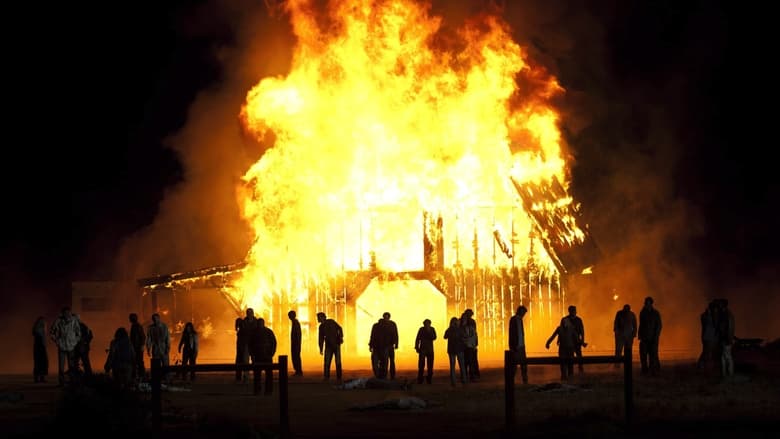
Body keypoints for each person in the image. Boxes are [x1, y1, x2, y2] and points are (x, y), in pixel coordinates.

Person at [50, 306, 81, 386]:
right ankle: (61, 382)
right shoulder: (58, 321)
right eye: (65, 313)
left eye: (68, 312)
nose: (67, 314)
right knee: (61, 367)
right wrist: (57, 341)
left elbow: (78, 332)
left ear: (70, 313)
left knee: (72, 366)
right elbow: (52, 332)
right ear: (63, 313)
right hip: (62, 346)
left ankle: (72, 381)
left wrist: (75, 341)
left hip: (71, 346)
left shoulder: (74, 321)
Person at [545, 311, 578, 381]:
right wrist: (548, 343)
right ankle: (565, 378)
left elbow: (576, 338)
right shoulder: (561, 329)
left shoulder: (569, 328)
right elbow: (553, 336)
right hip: (564, 349)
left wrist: (548, 343)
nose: (564, 324)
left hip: (568, 349)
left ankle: (569, 378)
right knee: (564, 365)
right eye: (563, 322)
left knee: (569, 365)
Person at [638, 296, 662, 376]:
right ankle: (644, 369)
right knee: (643, 355)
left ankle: (652, 370)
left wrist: (656, 336)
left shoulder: (655, 313)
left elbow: (659, 325)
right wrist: (640, 335)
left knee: (653, 355)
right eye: (646, 303)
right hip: (644, 338)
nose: (647, 304)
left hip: (653, 338)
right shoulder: (642, 313)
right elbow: (641, 325)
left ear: (651, 303)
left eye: (648, 303)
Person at [317, 312, 343, 382]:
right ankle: (337, 377)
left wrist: (341, 337)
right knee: (334, 361)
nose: (318, 319)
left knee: (329, 362)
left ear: (322, 317)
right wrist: (340, 338)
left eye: (319, 317)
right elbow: (340, 328)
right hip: (333, 345)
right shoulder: (325, 324)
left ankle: (328, 377)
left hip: (333, 345)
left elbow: (321, 339)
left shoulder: (326, 324)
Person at [146, 313, 171, 381]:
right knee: (156, 365)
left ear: (159, 318)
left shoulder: (164, 327)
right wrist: (148, 349)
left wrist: (168, 348)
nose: (155, 320)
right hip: (156, 348)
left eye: (156, 319)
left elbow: (168, 338)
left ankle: (166, 378)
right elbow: (149, 339)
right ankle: (157, 379)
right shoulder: (151, 328)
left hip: (163, 348)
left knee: (165, 364)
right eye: (154, 319)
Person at [235, 308, 258, 382]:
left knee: (255, 360)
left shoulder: (256, 322)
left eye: (251, 312)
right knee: (245, 361)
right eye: (248, 313)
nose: (250, 314)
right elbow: (239, 332)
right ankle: (246, 376)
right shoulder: (244, 322)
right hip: (246, 344)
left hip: (254, 344)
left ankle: (256, 376)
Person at [444, 316, 467, 386]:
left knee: (453, 366)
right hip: (459, 349)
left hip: (452, 350)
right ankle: (464, 380)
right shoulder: (459, 329)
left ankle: (453, 382)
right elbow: (464, 336)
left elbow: (445, 337)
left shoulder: (449, 330)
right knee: (462, 366)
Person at [508, 305, 528, 384]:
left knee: (521, 364)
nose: (524, 314)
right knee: (516, 364)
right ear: (520, 311)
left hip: (520, 345)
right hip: (517, 346)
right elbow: (512, 333)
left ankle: (522, 379)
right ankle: (514, 380)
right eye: (523, 312)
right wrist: (513, 345)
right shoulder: (515, 319)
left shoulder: (518, 319)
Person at [716, 299, 735, 378]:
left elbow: (728, 327)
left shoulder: (727, 314)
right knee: (723, 357)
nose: (719, 306)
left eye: (720, 304)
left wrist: (728, 338)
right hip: (725, 338)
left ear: (723, 305)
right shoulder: (726, 314)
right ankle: (725, 373)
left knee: (727, 356)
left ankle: (729, 373)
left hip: (726, 338)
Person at [697, 301, 718, 371]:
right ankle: (702, 365)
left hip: (708, 336)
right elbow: (712, 324)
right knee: (707, 352)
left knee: (707, 351)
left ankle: (702, 365)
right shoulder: (707, 316)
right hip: (708, 336)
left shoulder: (708, 315)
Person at [565, 306, 587, 373]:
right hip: (570, 342)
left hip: (576, 342)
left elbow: (582, 331)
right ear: (570, 311)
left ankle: (580, 369)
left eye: (574, 310)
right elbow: (563, 331)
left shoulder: (578, 320)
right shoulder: (566, 319)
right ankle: (571, 372)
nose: (574, 312)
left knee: (579, 356)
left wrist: (582, 341)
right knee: (571, 357)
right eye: (573, 310)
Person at [415, 319, 437, 384]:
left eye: (427, 324)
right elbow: (417, 338)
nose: (426, 325)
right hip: (423, 349)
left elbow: (434, 337)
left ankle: (429, 379)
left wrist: (429, 331)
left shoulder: (432, 329)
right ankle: (420, 379)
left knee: (430, 365)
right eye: (425, 324)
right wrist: (417, 347)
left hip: (429, 349)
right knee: (421, 365)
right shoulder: (421, 329)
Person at [460, 309, 480, 382]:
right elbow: (474, 334)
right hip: (469, 345)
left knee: (466, 361)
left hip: (467, 346)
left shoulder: (463, 324)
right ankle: (472, 375)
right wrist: (475, 343)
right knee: (471, 361)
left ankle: (466, 375)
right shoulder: (471, 323)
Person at [379, 312, 399, 380]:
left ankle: (392, 376)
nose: (386, 318)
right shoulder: (381, 325)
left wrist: (396, 344)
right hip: (384, 346)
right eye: (385, 317)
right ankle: (385, 376)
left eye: (387, 317)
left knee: (392, 361)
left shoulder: (393, 324)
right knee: (385, 361)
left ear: (389, 317)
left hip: (391, 345)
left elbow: (396, 334)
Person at [129, 313, 146, 382]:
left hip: (137, 348)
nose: (130, 319)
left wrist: (141, 345)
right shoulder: (135, 326)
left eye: (131, 318)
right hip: (136, 347)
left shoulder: (137, 326)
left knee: (139, 362)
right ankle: (139, 375)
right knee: (138, 362)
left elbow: (142, 337)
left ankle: (141, 375)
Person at [32, 316, 49, 383]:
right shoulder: (39, 330)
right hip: (39, 348)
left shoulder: (41, 330)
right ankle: (38, 378)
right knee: (39, 363)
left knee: (42, 362)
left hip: (41, 347)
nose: (44, 323)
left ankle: (41, 377)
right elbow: (40, 338)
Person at [288, 310, 303, 376]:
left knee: (296, 356)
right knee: (296, 356)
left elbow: (298, 334)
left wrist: (297, 343)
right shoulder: (295, 322)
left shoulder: (295, 323)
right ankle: (298, 370)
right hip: (296, 343)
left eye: (290, 315)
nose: (289, 317)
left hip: (296, 343)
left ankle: (298, 371)